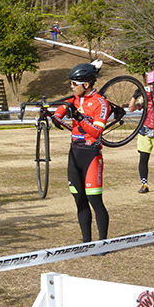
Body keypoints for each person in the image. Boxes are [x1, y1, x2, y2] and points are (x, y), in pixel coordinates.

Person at [52, 62, 111, 244]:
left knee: (94, 200)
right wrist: (47, 113)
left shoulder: (101, 103)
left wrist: (79, 118)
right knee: (79, 199)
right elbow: (57, 117)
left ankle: (101, 242)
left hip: (91, 154)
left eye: (73, 83)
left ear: (86, 84)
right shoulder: (73, 100)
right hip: (74, 154)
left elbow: (96, 132)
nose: (71, 86)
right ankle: (86, 242)